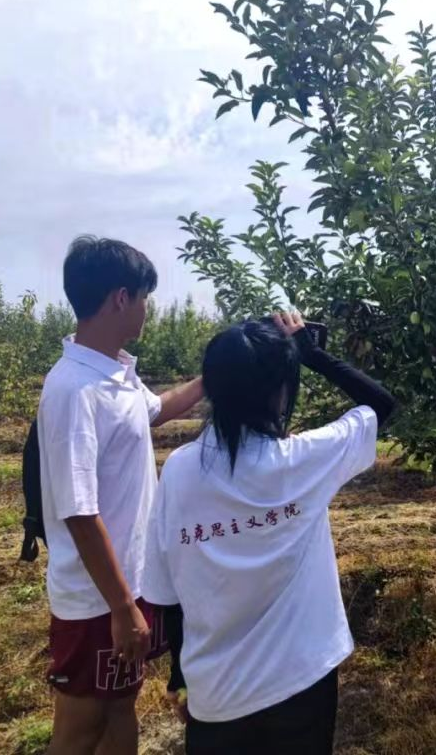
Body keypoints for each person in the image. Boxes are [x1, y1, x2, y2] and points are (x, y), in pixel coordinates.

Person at [143, 311, 396, 755]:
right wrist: (312, 355)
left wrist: (180, 680)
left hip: (216, 696)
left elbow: (169, 597)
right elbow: (382, 405)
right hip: (300, 683)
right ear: (279, 391)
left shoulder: (180, 471)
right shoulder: (303, 461)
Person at [38, 237, 205, 755]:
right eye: (145, 297)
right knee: (81, 725)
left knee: (118, 707)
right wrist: (121, 608)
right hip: (97, 599)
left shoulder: (116, 375)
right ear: (120, 298)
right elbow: (79, 513)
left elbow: (159, 408)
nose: (148, 309)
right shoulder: (75, 390)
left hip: (126, 585)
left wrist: (217, 372)